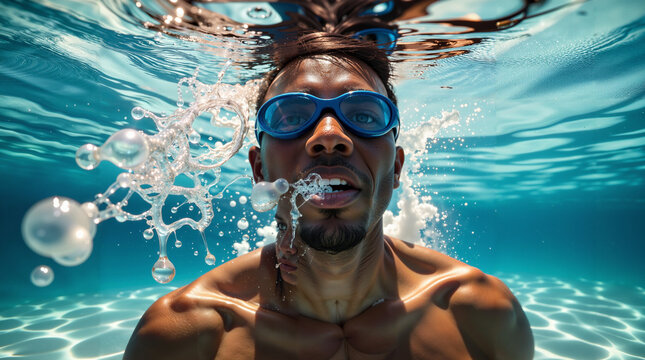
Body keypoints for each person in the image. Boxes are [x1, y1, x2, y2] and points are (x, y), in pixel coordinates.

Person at [124, 33, 533, 360]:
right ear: (259, 170)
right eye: (292, 118)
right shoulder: (184, 335)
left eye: (364, 115)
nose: (330, 137)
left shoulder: (482, 315)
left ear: (396, 168)